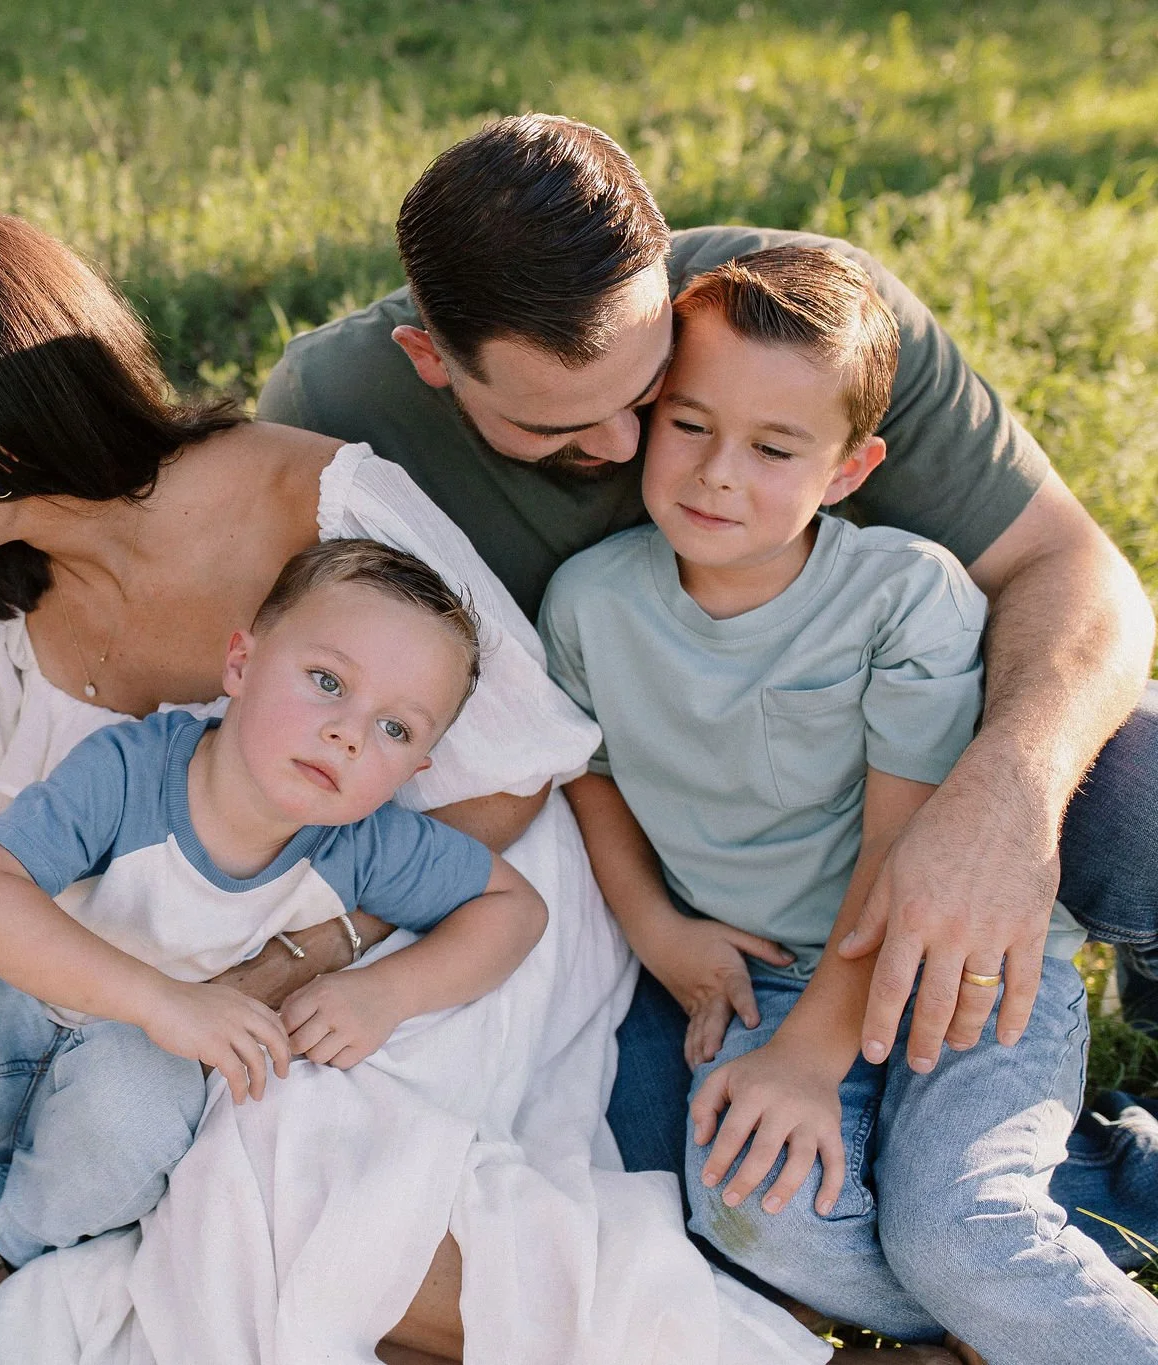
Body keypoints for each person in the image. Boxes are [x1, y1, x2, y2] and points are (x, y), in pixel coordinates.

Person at [0, 207, 918, 1363]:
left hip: (419, 908)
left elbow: (515, 773)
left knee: (279, 1181)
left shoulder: (321, 502)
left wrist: (298, 959)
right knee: (180, 1151)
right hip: (153, 941)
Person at [257, 111, 1158, 1240]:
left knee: (1145, 788)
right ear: (430, 364)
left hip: (902, 759)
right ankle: (1054, 1189)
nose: (630, 452)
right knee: (691, 1202)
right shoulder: (329, 420)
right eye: (557, 428)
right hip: (648, 878)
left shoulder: (791, 318)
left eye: (646, 395)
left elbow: (1070, 568)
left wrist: (1005, 799)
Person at [539, 245, 1158, 1361]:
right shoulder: (587, 603)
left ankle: (999, 1279)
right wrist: (653, 925)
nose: (718, 473)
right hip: (758, 979)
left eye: (774, 448)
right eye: (688, 426)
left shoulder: (901, 596)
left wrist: (810, 1060)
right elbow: (585, 772)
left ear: (847, 467)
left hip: (949, 963)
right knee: (751, 1216)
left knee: (957, 1232)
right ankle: (1029, 1271)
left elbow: (903, 841)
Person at [0, 540, 546, 1332]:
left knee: (138, 1118)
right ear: (241, 663)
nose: (348, 734)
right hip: (12, 1019)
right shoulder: (133, 768)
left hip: (127, 1088)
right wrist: (161, 1000)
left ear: (417, 766)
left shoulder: (363, 843)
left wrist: (386, 990)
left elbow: (514, 908)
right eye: (326, 682)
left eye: (394, 728)